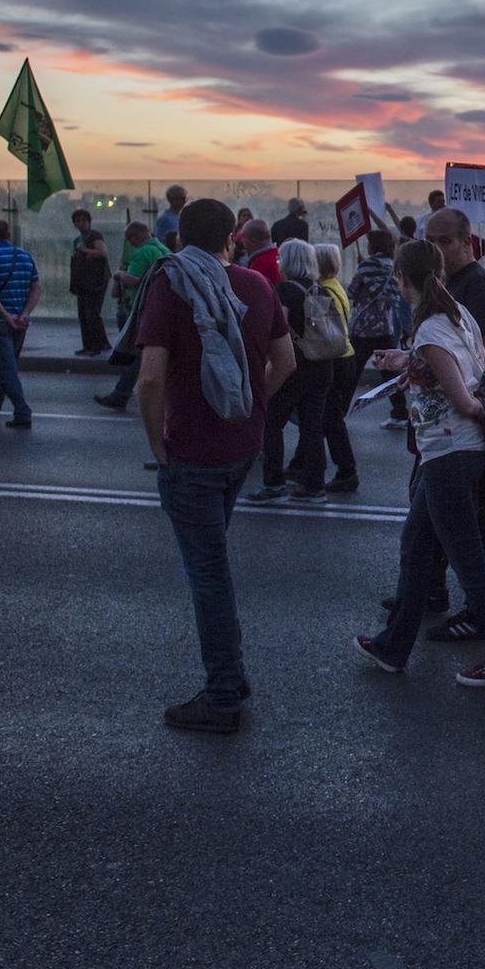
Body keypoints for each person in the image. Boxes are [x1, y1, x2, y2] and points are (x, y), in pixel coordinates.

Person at [135, 197, 295, 733]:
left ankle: (223, 693)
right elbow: (286, 360)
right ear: (233, 238)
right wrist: (251, 405)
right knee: (213, 563)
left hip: (192, 453)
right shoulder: (256, 285)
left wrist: (159, 444)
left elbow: (151, 378)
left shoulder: (171, 284)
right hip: (240, 448)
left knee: (208, 576)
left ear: (180, 236)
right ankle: (234, 675)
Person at [356, 237, 485, 688]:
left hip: (449, 453)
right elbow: (466, 366)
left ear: (403, 278)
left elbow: (463, 397)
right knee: (416, 550)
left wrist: (464, 403)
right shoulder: (456, 314)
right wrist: (408, 362)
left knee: (468, 562)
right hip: (454, 453)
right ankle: (393, 646)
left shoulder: (430, 329)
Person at [416, 207, 485, 642]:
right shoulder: (446, 285)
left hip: (459, 433)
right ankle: (420, 597)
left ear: (466, 242)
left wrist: (457, 392)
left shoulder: (477, 286)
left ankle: (482, 618)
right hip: (442, 429)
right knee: (425, 527)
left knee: (469, 526)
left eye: (444, 241)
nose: (436, 249)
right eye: (429, 240)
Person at [251, 238, 336, 503]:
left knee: (272, 422)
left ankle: (274, 484)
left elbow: (279, 328)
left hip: (295, 367)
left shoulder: (285, 290)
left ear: (287, 261)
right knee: (312, 426)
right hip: (322, 364)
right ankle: (315, 486)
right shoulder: (319, 289)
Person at [96, 221, 171, 412]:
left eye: (130, 239)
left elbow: (133, 279)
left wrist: (120, 274)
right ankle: (123, 394)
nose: (130, 243)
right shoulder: (163, 249)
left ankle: (120, 395)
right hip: (159, 306)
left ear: (135, 237)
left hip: (138, 308)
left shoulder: (143, 252)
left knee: (134, 356)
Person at [0, 219, 40, 429]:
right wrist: (24, 314)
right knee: (6, 367)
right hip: (20, 322)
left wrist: (4, 315)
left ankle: (22, 411)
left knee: (7, 369)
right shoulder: (24, 255)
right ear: (9, 235)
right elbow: (36, 287)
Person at [346, 227, 406, 432]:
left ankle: (339, 412)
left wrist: (362, 270)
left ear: (374, 245)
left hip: (363, 330)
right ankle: (400, 413)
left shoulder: (366, 267)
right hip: (386, 328)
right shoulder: (394, 266)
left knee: (351, 374)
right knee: (390, 374)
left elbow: (351, 292)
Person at [313, 243, 360, 495]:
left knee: (330, 418)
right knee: (327, 418)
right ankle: (305, 464)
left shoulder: (321, 291)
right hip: (347, 356)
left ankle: (346, 471)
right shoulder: (336, 285)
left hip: (334, 358)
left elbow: (319, 330)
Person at [69, 208, 113, 356]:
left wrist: (86, 250)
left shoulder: (94, 236)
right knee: (83, 313)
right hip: (83, 280)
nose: (81, 223)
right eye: (78, 221)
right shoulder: (78, 239)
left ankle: (96, 345)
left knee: (92, 313)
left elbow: (103, 253)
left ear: (89, 222)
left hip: (96, 280)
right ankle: (90, 344)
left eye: (84, 220)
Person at [240, 219, 279, 284]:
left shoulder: (259, 265)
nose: (241, 241)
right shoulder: (280, 255)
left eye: (243, 237)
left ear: (253, 241)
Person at [154, 185, 187, 250]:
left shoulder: (180, 216)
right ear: (172, 199)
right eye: (182, 198)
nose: (184, 201)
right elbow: (159, 241)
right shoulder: (164, 219)